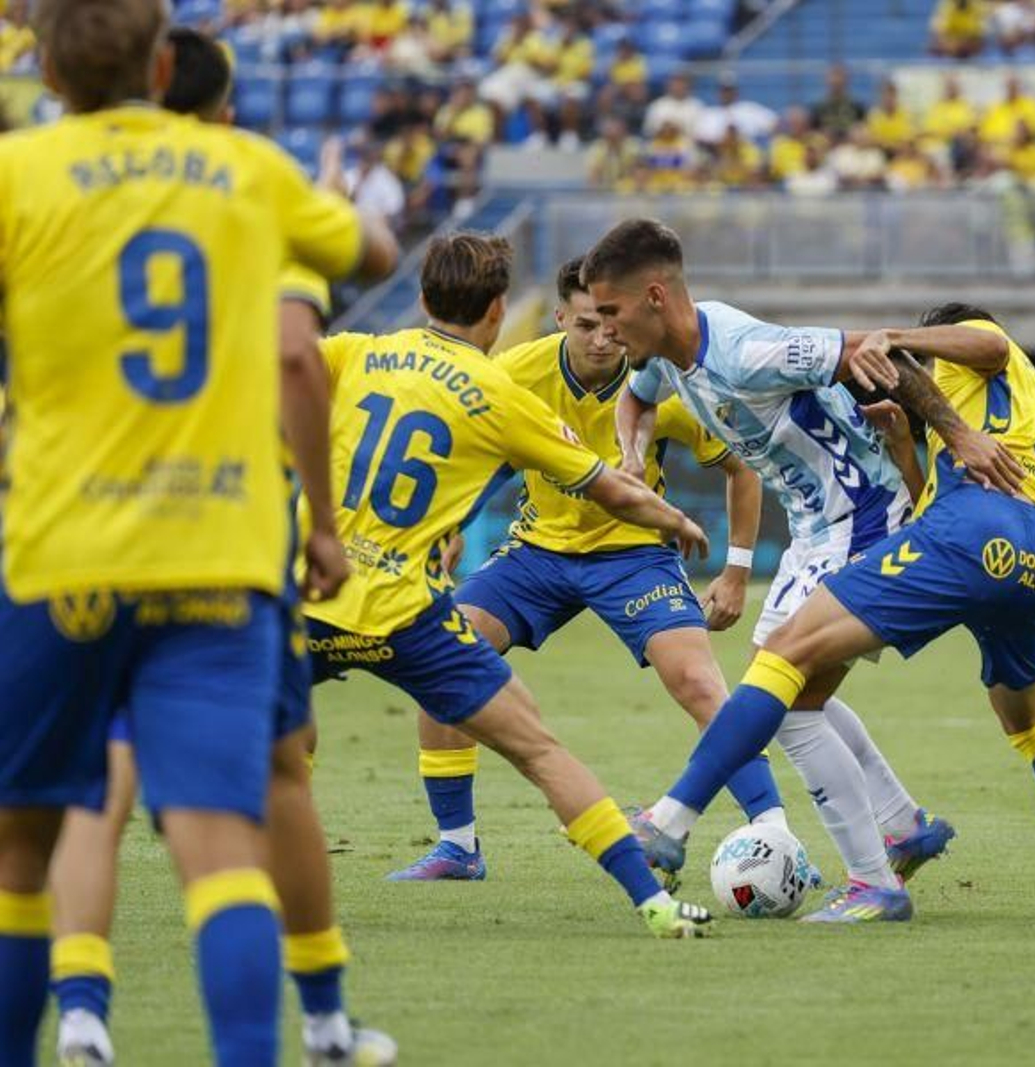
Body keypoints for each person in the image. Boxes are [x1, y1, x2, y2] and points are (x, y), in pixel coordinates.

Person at [0, 2, 396, 1063]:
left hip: (60, 551)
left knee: (22, 847)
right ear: (165, 61)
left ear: (43, 69)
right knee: (225, 844)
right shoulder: (245, 171)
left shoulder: (17, 174)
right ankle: (300, 1030)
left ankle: (68, 1020)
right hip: (220, 550)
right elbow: (373, 244)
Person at [591, 220, 1035, 924]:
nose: (602, 330)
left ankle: (710, 831)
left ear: (654, 296)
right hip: (1034, 547)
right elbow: (640, 390)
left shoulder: (766, 349)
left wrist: (906, 351)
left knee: (782, 677)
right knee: (1026, 722)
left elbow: (982, 342)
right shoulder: (670, 357)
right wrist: (912, 442)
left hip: (905, 525)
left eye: (609, 314)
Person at [303, 232, 716, 939]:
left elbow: (278, 371)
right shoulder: (503, 394)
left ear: (424, 297)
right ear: (498, 311)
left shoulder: (352, 352)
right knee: (539, 750)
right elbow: (611, 488)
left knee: (270, 736)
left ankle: (264, 889)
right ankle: (652, 902)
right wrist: (674, 516)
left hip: (312, 592)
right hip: (405, 614)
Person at [389, 257, 792, 881]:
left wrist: (737, 570)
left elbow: (741, 466)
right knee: (441, 654)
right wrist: (449, 524)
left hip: (634, 555)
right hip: (536, 554)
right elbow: (477, 454)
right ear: (559, 320)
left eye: (610, 322)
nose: (603, 338)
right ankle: (457, 846)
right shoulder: (513, 373)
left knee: (698, 683)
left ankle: (774, 833)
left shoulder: (659, 380)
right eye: (586, 325)